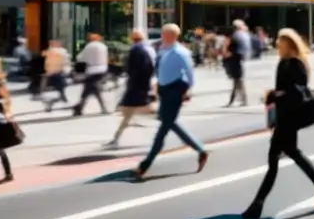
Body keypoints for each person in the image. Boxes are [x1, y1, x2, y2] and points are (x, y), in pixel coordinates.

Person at [242, 28, 314, 219]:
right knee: (290, 156)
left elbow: (298, 92)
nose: (277, 46)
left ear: (289, 44)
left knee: (275, 161)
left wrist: (274, 95)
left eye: (280, 43)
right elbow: (286, 89)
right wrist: (274, 95)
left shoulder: (294, 63)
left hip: (289, 119)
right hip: (284, 118)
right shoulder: (284, 63)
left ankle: (257, 205)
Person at [133, 24, 208, 180]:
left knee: (163, 129)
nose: (162, 36)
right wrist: (156, 85)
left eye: (165, 34)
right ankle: (201, 150)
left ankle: (145, 164)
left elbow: (189, 74)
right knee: (169, 122)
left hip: (176, 90)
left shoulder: (181, 52)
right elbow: (159, 69)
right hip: (164, 90)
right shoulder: (162, 50)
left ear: (172, 36)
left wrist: (188, 91)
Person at [106, 30, 156, 148]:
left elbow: (136, 69)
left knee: (129, 113)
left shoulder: (136, 51)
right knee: (127, 114)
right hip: (140, 87)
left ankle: (116, 139)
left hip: (136, 88)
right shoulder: (146, 50)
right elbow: (150, 68)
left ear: (132, 39)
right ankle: (116, 139)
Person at [73, 33, 109, 116]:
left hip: (92, 70)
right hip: (102, 69)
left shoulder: (88, 46)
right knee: (93, 89)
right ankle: (80, 108)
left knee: (90, 89)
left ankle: (79, 108)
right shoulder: (103, 47)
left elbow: (80, 58)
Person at [225, 20, 250, 107]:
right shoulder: (243, 36)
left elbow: (234, 50)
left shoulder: (236, 37)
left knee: (238, 81)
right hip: (239, 61)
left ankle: (237, 101)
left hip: (235, 62)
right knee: (238, 82)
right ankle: (238, 100)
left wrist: (228, 54)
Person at [42, 39, 71, 111]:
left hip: (51, 74)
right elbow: (66, 61)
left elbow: (44, 56)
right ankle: (53, 103)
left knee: (60, 90)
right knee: (61, 89)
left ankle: (54, 104)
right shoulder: (61, 51)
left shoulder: (49, 51)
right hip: (58, 73)